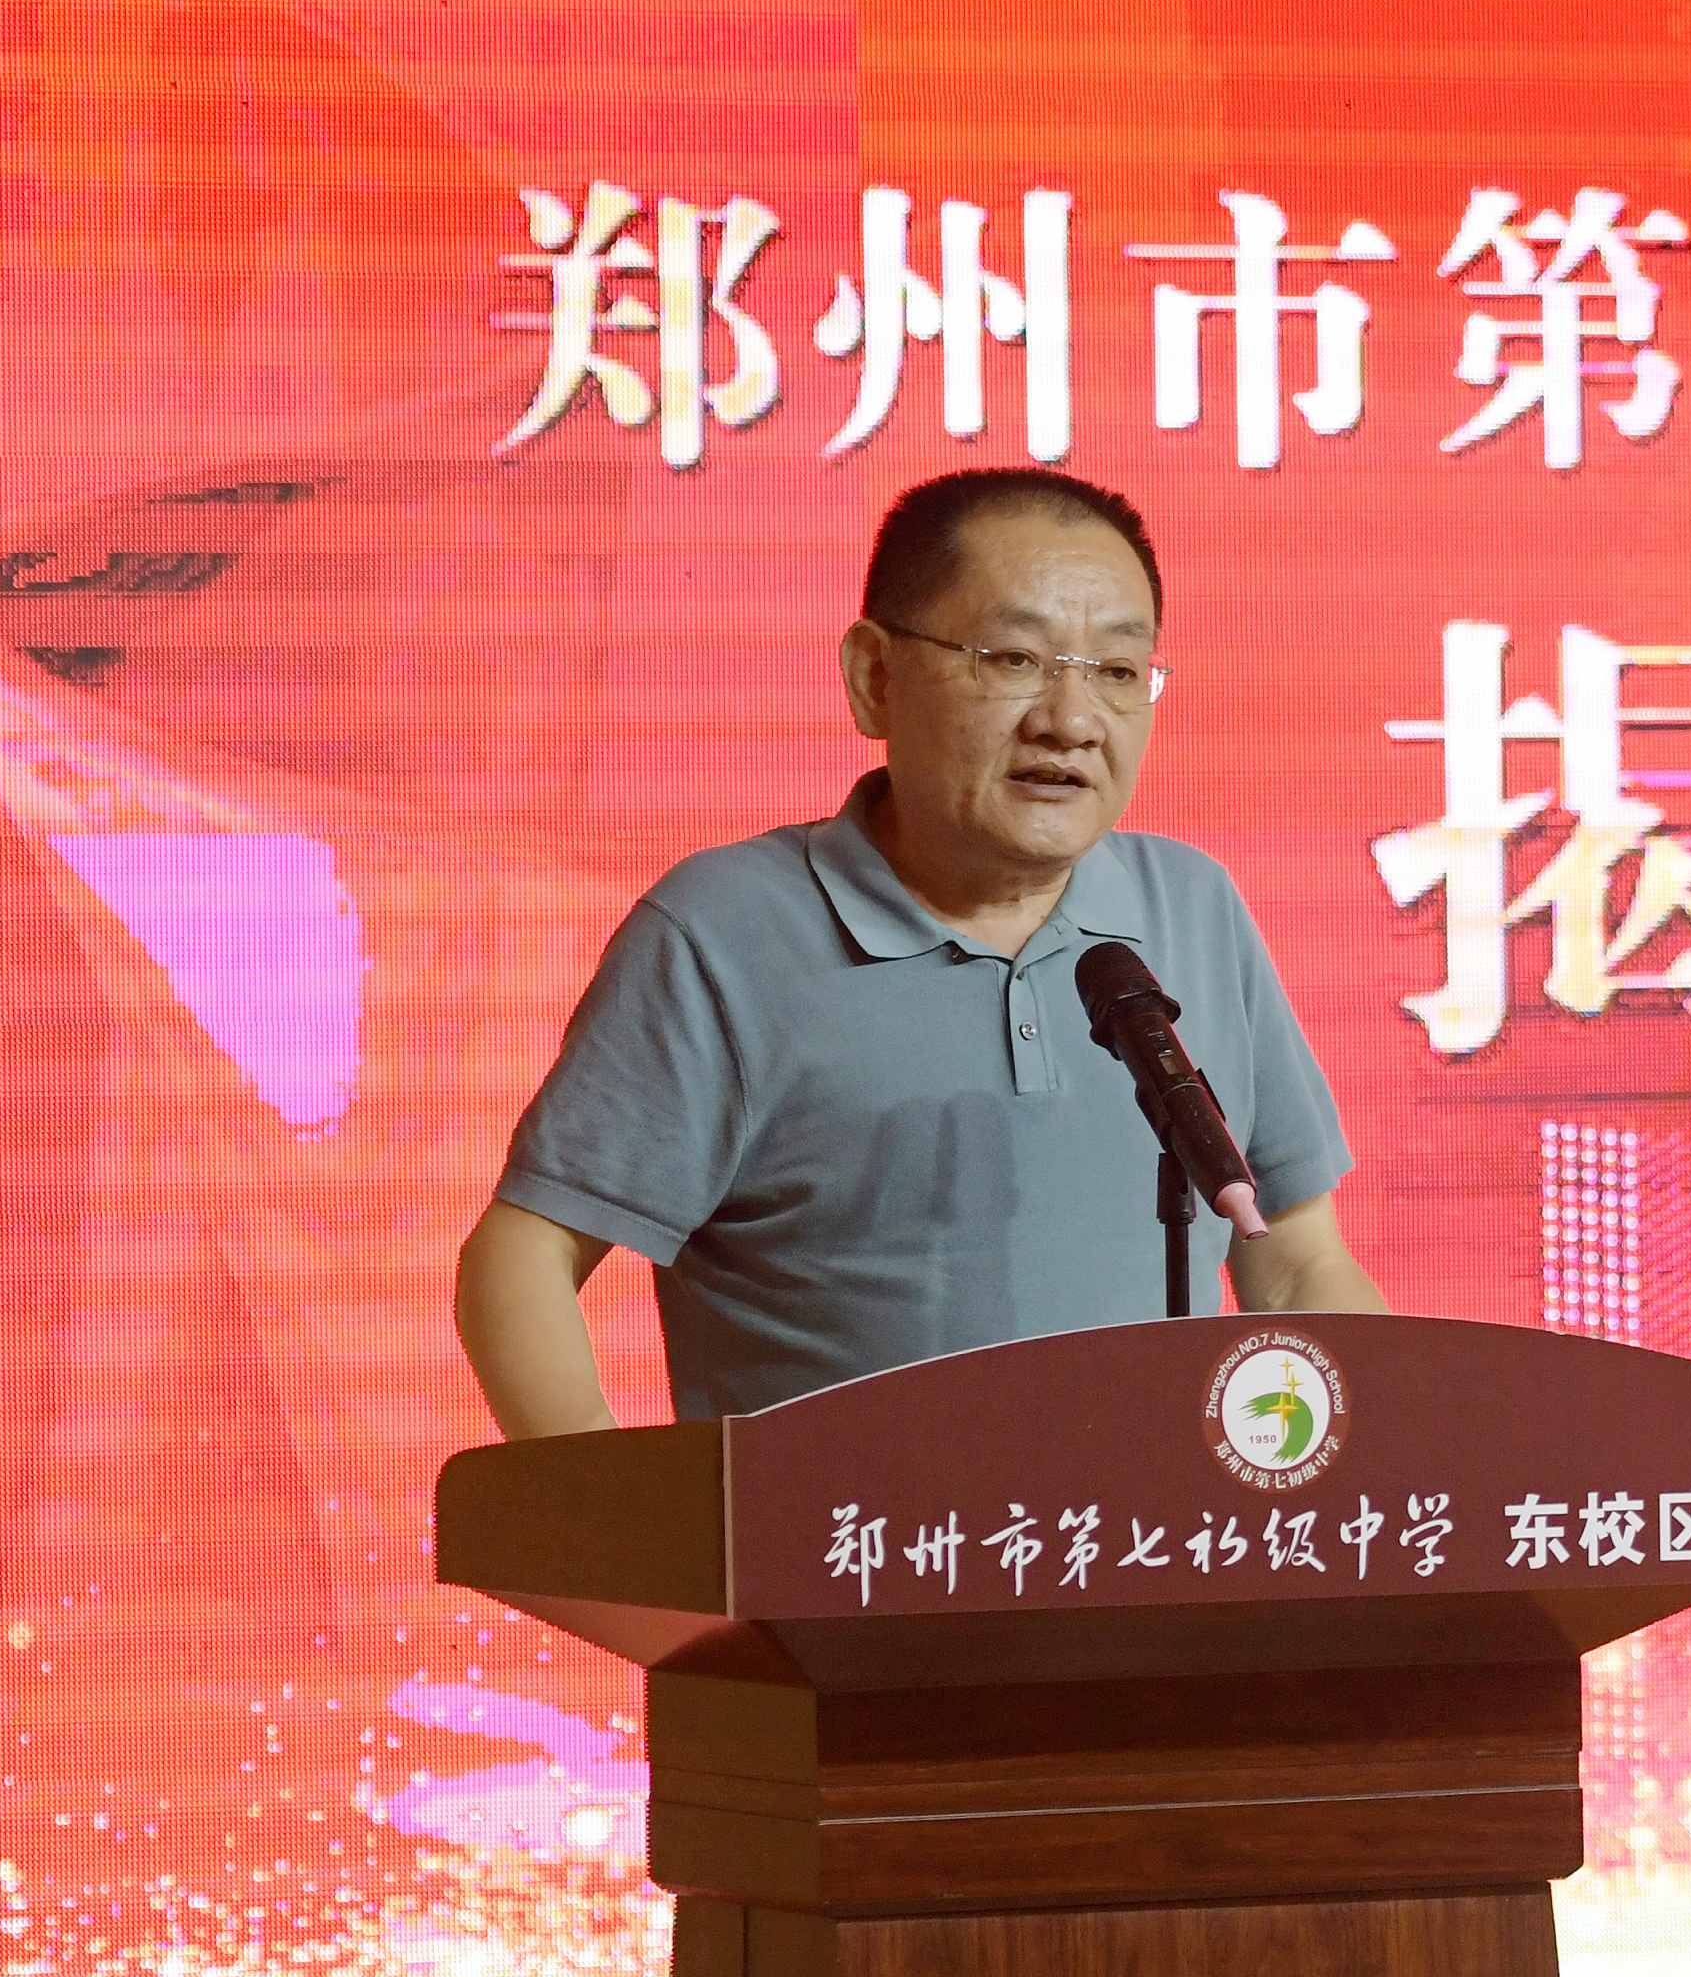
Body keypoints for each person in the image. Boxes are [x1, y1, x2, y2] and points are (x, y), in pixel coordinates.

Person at [455, 468, 1384, 1440]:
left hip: (1154, 1532)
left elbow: (1295, 1259)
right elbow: (523, 1258)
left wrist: (1391, 1478)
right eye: (1014, 657)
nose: (1071, 721)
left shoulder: (1191, 906)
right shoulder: (726, 931)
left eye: (1117, 671)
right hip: (844, 1537)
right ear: (875, 678)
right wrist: (614, 1522)